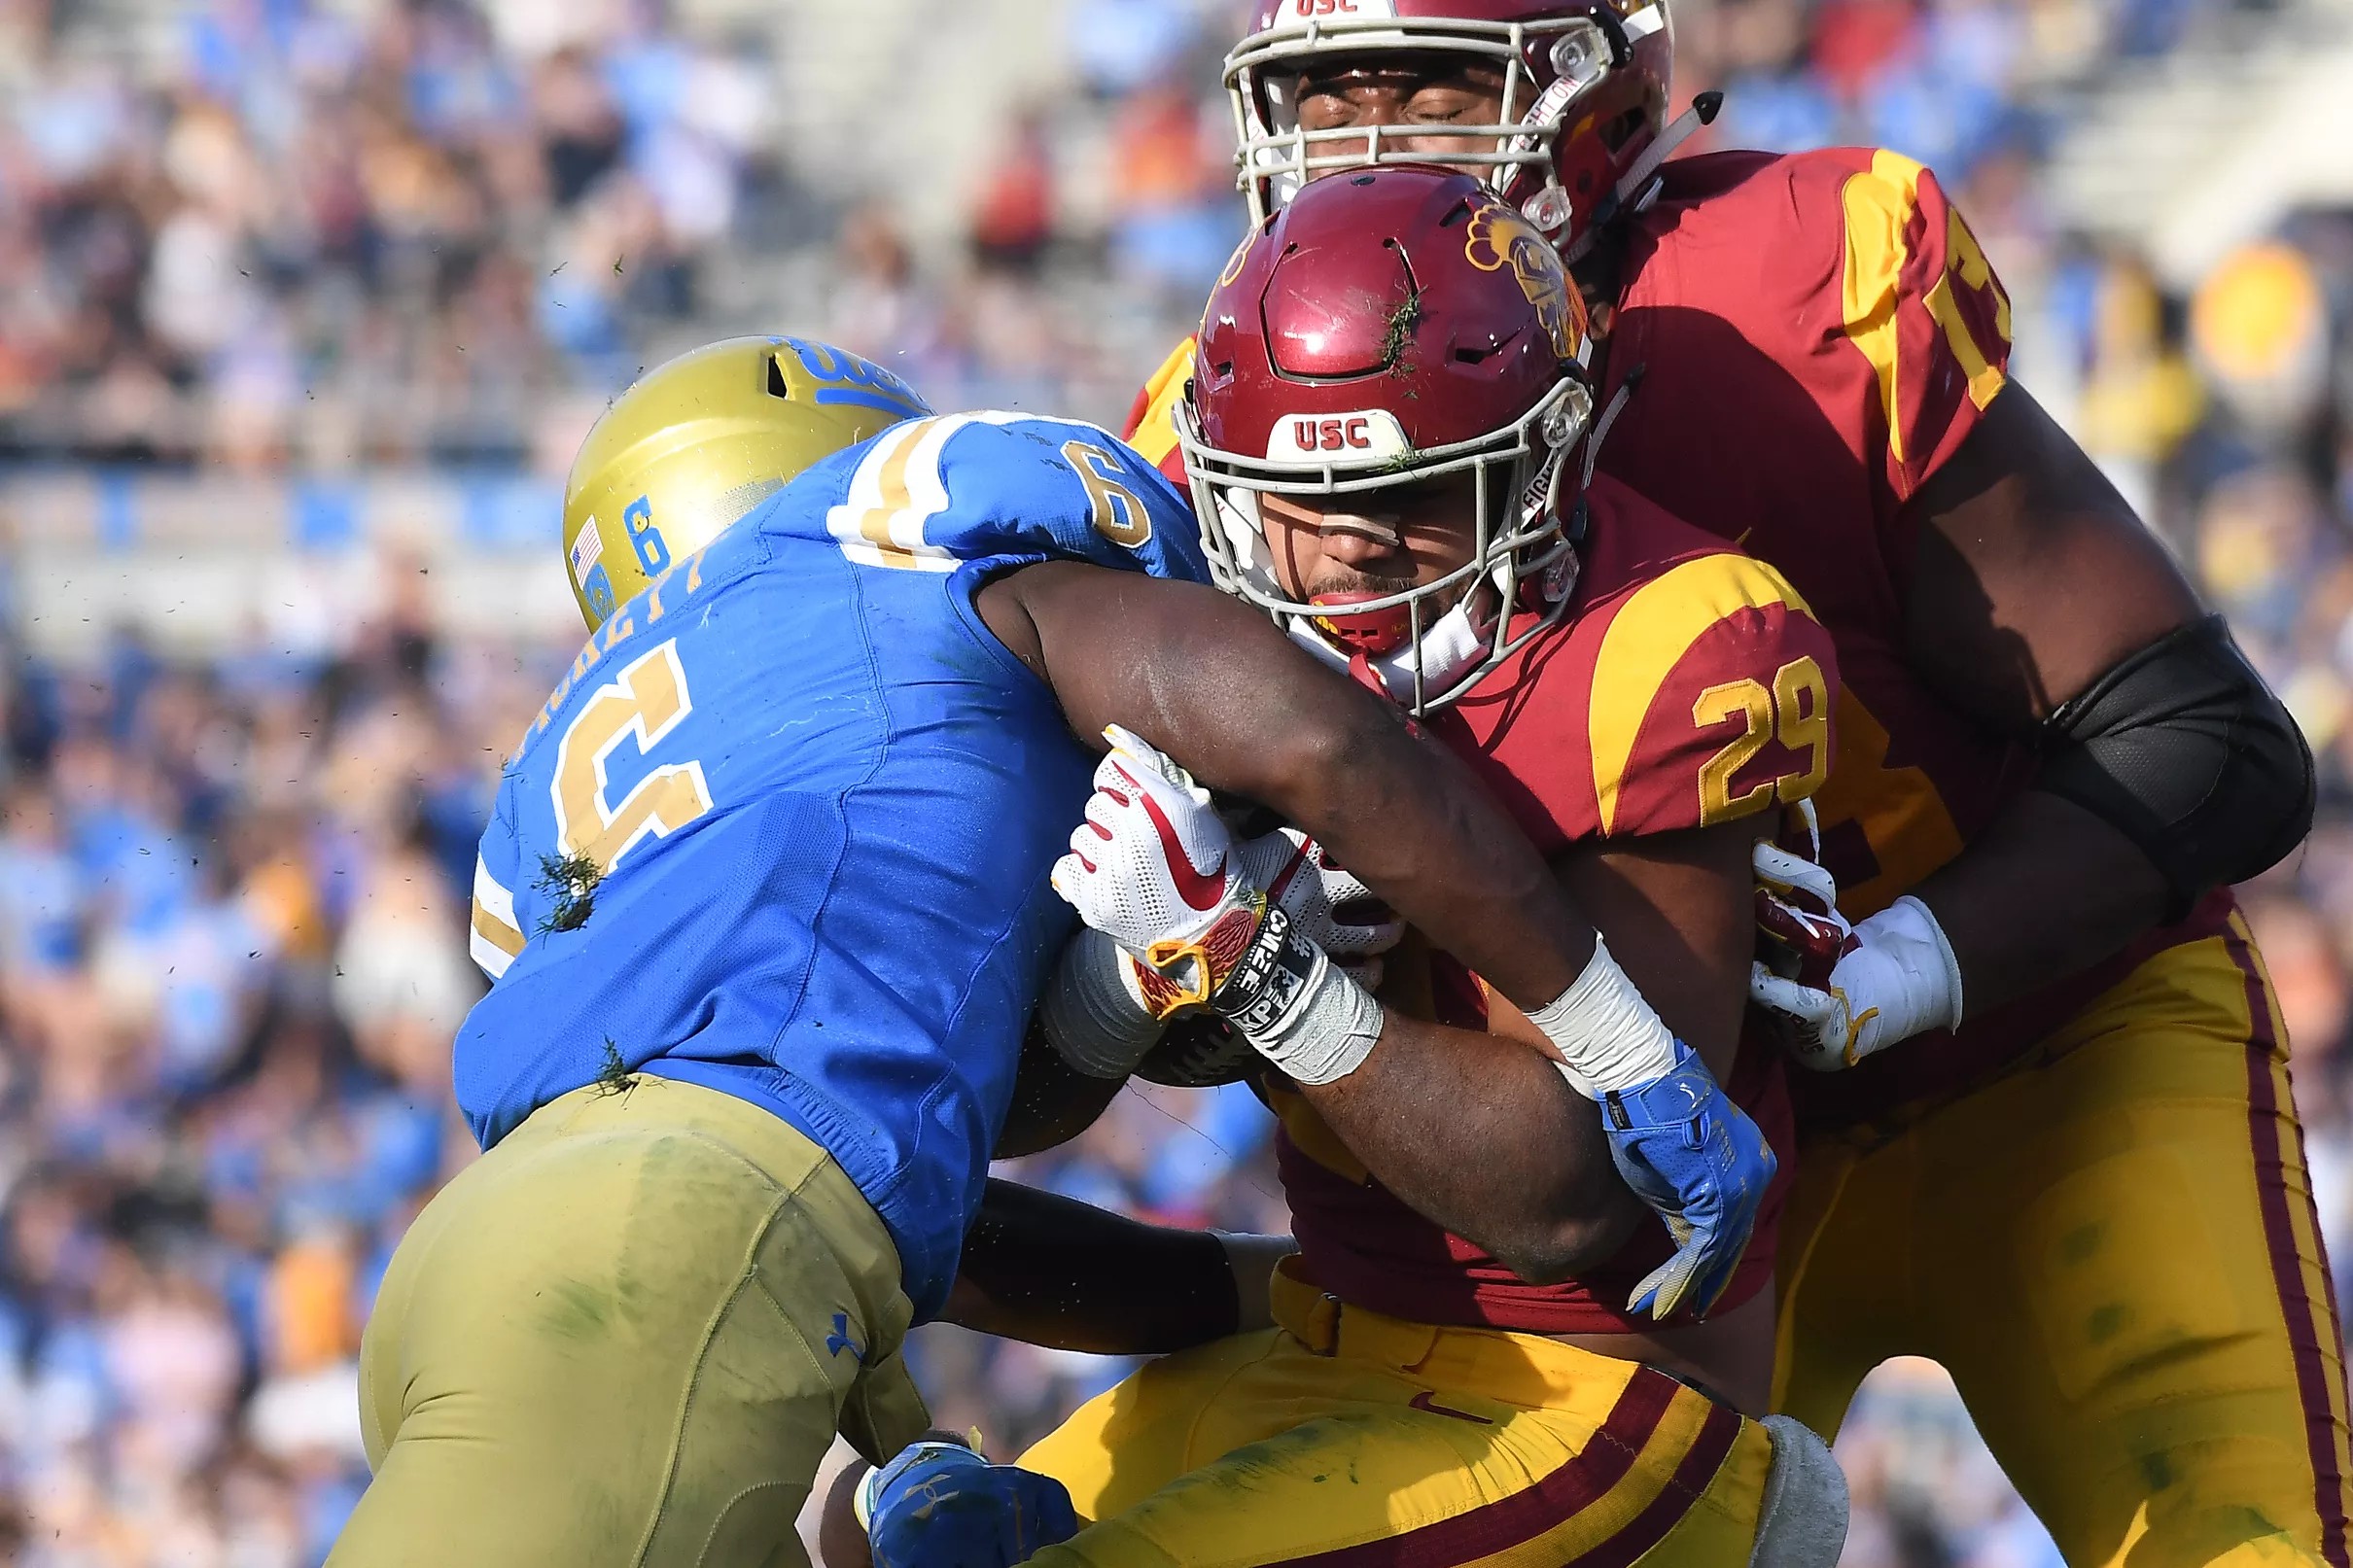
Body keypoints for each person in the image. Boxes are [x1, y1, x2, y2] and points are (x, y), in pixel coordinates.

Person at [1116, 4, 2337, 1561]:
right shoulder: (1234, 422)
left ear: (1595, 85)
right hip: (1716, 1175)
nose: (1363, 139)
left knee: (2240, 1540)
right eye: (1321, 91)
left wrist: (1919, 961)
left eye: (1427, 79)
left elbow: (2203, 737)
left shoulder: (1785, 298)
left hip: (2056, 1051)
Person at [328, 334, 1772, 1567]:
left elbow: (892, 1210)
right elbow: (1300, 724)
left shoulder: (572, 805)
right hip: (670, 1256)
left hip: (473, 1260)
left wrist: (891, 1481)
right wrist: (1615, 1031)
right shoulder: (894, 569)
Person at [838, 166, 1849, 1568]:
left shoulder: (1662, 649)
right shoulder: (1187, 636)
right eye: (1298, 501)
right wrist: (1124, 987)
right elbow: (1033, 1101)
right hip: (1322, 1340)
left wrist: (1255, 969)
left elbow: (1569, 1200)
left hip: (1596, 1402)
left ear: (1545, 465)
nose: (1349, 547)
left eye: (1420, 494)